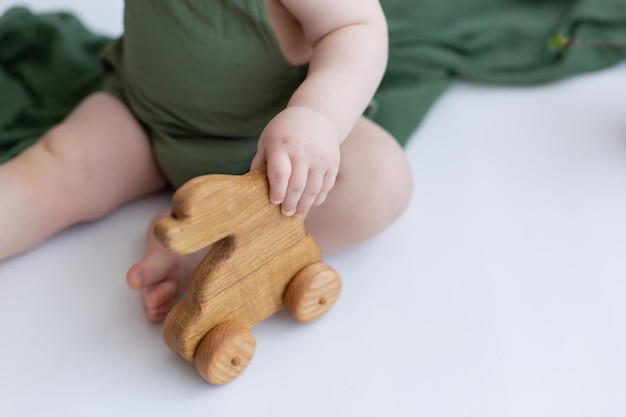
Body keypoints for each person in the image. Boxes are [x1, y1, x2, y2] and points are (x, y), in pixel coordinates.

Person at [0, 0, 413, 322]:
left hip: (272, 157)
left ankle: (201, 251)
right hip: (144, 119)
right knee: (61, 165)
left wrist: (317, 117)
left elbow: (355, 28)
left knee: (380, 180)